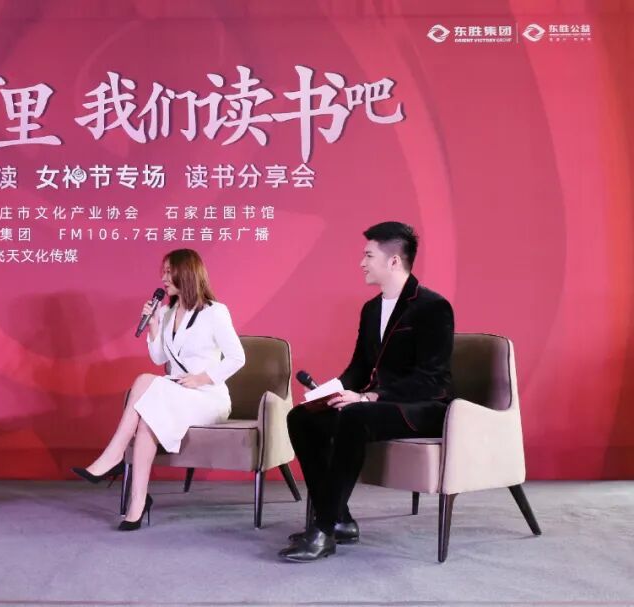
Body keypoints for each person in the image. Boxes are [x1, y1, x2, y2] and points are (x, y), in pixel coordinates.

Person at [280, 222, 454, 562]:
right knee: (302, 417)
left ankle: (323, 528)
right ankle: (340, 520)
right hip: (377, 405)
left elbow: (433, 380)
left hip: (423, 407)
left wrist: (370, 397)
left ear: (394, 261)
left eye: (369, 256)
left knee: (356, 415)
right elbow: (359, 369)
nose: (362, 263)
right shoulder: (371, 309)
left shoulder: (433, 306)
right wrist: (330, 392)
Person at [72, 249, 245, 531]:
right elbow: (159, 358)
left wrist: (201, 379)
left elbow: (238, 358)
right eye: (162, 272)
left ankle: (113, 456)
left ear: (185, 273)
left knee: (143, 381)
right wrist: (153, 325)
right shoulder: (166, 312)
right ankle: (137, 504)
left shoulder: (215, 312)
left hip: (208, 397)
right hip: (176, 393)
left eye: (168, 272)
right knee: (146, 422)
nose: (163, 278)